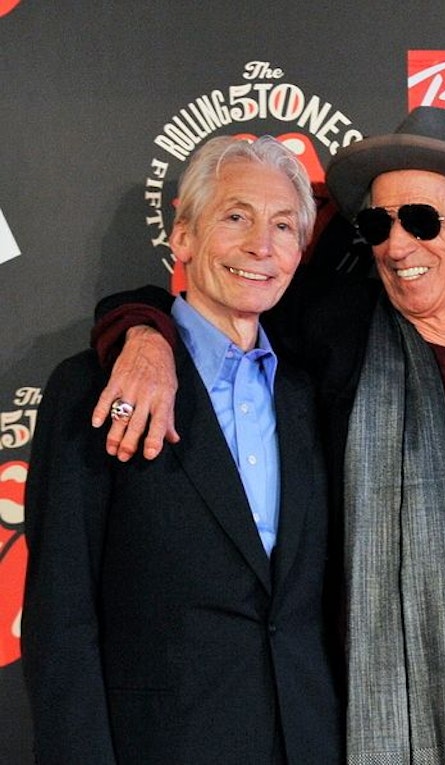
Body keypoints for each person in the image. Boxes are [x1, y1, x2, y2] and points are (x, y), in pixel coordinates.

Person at [84, 107, 445, 763]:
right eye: (378, 224)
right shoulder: (330, 334)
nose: (396, 246)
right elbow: (221, 298)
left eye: (422, 220)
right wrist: (142, 333)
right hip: (356, 725)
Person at [22, 136, 343, 762]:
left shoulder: (311, 395)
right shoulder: (98, 388)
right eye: (236, 217)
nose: (261, 245)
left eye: (283, 226)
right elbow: (62, 616)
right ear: (184, 236)